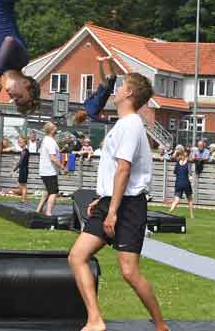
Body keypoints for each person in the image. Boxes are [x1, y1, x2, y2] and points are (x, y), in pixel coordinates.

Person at [68, 73, 167, 331]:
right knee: (77, 256)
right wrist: (103, 198)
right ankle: (94, 320)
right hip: (110, 200)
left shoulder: (133, 124)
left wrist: (112, 211)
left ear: (129, 94)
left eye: (121, 86)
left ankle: (160, 325)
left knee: (129, 271)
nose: (117, 90)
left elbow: (124, 169)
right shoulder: (122, 124)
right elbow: (115, 170)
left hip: (128, 205)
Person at [74, 56, 118, 125]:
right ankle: (108, 61)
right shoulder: (85, 103)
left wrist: (113, 122)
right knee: (111, 77)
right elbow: (92, 95)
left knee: (109, 77)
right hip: (100, 92)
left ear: (84, 119)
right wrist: (98, 90)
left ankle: (101, 62)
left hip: (104, 95)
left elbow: (103, 120)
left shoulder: (92, 115)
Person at [37, 121, 68, 216]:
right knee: (54, 192)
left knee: (48, 191)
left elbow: (54, 154)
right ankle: (49, 213)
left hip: (47, 170)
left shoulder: (48, 140)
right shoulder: (49, 141)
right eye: (54, 126)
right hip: (49, 171)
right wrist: (63, 167)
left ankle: (39, 209)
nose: (56, 127)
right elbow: (53, 158)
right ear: (51, 129)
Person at [168, 145, 194, 218]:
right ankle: (191, 215)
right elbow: (190, 174)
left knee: (176, 200)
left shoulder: (177, 163)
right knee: (190, 199)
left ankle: (171, 209)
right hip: (186, 183)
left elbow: (175, 172)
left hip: (178, 183)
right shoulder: (188, 163)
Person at [11, 136, 30, 203]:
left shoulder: (25, 151)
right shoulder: (24, 150)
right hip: (23, 169)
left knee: (23, 185)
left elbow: (20, 162)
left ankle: (23, 199)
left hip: (24, 169)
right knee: (22, 185)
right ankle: (25, 199)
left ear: (24, 143)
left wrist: (14, 169)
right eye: (19, 142)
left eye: (20, 142)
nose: (19, 144)